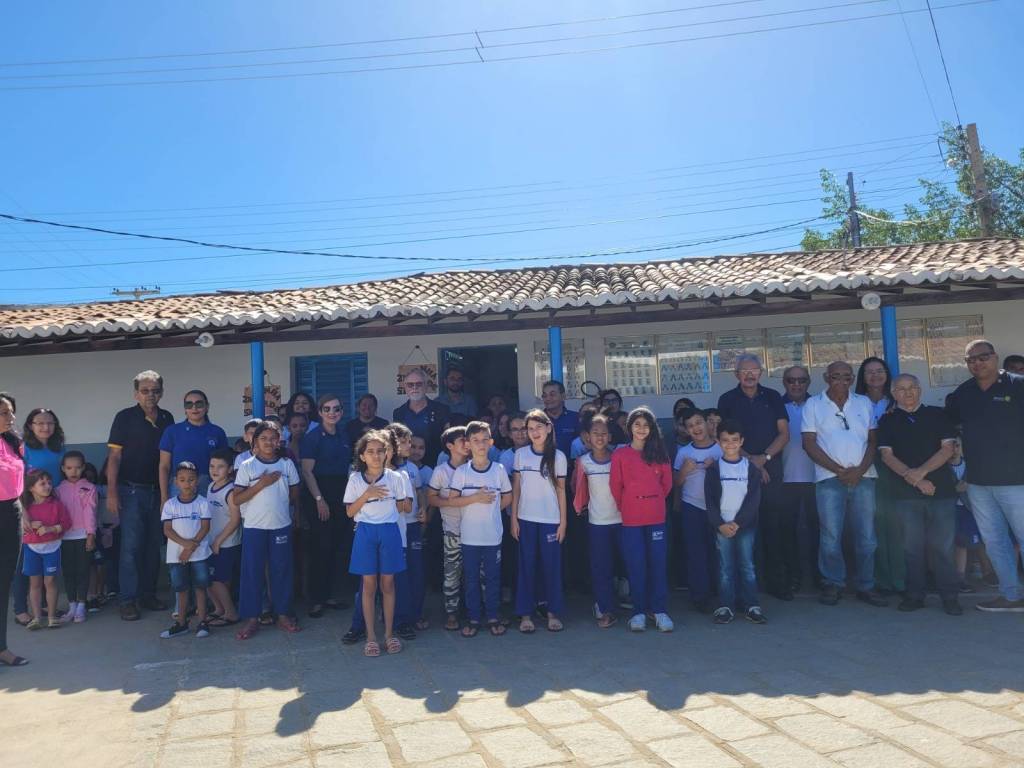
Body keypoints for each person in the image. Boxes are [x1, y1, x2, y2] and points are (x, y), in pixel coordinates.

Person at [946, 339, 1024, 612]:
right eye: (971, 360)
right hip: (978, 482)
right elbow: (946, 423)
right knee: (995, 542)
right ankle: (1010, 596)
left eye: (983, 357)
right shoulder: (964, 392)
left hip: (1017, 481)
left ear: (995, 357)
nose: (977, 363)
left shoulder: (1017, 385)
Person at [802, 361, 887, 608]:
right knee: (830, 536)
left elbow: (873, 441)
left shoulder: (863, 402)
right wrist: (839, 470)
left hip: (864, 477)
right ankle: (833, 583)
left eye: (847, 377)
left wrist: (859, 470)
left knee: (867, 536)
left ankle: (866, 585)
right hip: (829, 479)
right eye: (836, 376)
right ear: (826, 377)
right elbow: (808, 443)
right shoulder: (813, 404)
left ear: (852, 379)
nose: (841, 381)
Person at [877, 374, 961, 615]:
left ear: (920, 390)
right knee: (912, 549)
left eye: (912, 387)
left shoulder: (937, 414)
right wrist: (915, 479)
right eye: (902, 389)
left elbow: (947, 449)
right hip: (906, 495)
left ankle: (950, 597)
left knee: (943, 548)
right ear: (894, 393)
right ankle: (915, 595)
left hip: (941, 492)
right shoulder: (887, 420)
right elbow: (886, 456)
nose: (908, 393)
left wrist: (921, 474)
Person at [717, 354, 791, 600]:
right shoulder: (727, 399)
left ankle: (777, 583)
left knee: (773, 526)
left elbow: (784, 434)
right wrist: (751, 462)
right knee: (742, 527)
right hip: (738, 471)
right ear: (736, 374)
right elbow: (724, 437)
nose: (750, 375)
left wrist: (764, 459)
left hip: (771, 469)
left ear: (761, 372)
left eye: (754, 370)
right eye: (744, 371)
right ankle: (744, 588)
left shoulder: (773, 397)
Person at [106, 370, 175, 621]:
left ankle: (148, 595)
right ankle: (128, 600)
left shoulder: (167, 418)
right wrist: (112, 491)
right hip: (131, 491)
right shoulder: (124, 417)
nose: (150, 395)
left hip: (159, 492)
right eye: (145, 391)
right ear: (136, 393)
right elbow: (114, 457)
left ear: (162, 393)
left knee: (153, 546)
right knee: (131, 547)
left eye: (155, 391)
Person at [345, 430, 410, 657]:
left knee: (388, 584)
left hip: (389, 531)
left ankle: (389, 634)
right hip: (365, 532)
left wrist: (402, 501)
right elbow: (350, 511)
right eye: (370, 451)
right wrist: (368, 494)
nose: (375, 455)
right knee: (368, 584)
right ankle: (371, 636)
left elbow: (403, 507)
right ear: (362, 456)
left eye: (380, 451)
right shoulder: (355, 479)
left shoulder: (396, 478)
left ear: (387, 453)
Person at [234, 421, 302, 640]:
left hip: (280, 525)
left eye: (273, 438)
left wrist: (287, 509)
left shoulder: (286, 464)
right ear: (255, 441)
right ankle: (252, 618)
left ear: (279, 440)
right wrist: (261, 484)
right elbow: (237, 498)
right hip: (254, 527)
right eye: (263, 438)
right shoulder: (247, 466)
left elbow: (294, 493)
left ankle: (283, 614)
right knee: (252, 572)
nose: (268, 442)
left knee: (281, 570)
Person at [611, 407, 674, 633]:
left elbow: (667, 484)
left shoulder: (659, 452)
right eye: (637, 424)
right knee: (636, 564)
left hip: (655, 516)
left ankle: (659, 610)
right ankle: (638, 611)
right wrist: (629, 504)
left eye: (646, 425)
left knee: (657, 563)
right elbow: (616, 486)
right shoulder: (620, 454)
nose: (641, 429)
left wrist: (653, 500)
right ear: (629, 428)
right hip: (631, 518)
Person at [449, 421, 512, 637]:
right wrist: (475, 498)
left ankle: (493, 616)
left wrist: (492, 508)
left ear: (491, 442)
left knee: (493, 578)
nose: (481, 444)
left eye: (485, 440)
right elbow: (452, 500)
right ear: (468, 444)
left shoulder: (499, 470)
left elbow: (508, 497)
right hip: (470, 537)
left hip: (492, 536)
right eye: (475, 440)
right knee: (471, 579)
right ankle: (474, 618)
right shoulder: (462, 472)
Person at [511, 409, 568, 633]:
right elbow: (516, 489)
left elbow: (561, 491)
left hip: (550, 520)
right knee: (526, 566)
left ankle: (553, 612)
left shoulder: (559, 457)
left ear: (549, 428)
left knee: (551, 567)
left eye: (539, 427)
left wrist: (563, 522)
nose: (535, 432)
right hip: (525, 519)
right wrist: (513, 519)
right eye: (530, 429)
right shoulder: (520, 455)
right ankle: (525, 614)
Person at [705, 419, 765, 625]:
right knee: (725, 568)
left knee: (747, 566)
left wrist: (739, 522)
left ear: (741, 442)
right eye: (725, 440)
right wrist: (720, 524)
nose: (730, 444)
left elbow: (753, 500)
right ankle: (725, 606)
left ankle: (751, 605)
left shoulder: (750, 468)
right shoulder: (714, 469)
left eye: (734, 440)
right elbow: (710, 501)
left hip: (745, 526)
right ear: (718, 441)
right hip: (722, 527)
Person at [300, 394, 353, 618]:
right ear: (320, 412)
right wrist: (319, 499)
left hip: (341, 492)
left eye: (336, 409)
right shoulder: (312, 437)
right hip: (320, 493)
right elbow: (307, 471)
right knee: (320, 547)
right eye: (327, 409)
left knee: (335, 546)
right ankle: (316, 599)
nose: (332, 413)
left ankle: (329, 595)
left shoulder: (344, 434)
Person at [856, 357, 903, 595]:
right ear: (862, 378)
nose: (875, 376)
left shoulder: (897, 402)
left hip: (895, 469)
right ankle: (880, 580)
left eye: (879, 371)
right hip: (864, 468)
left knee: (896, 525)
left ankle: (901, 580)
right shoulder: (855, 403)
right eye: (869, 372)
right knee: (872, 527)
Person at [573, 413, 622, 628]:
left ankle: (634, 605)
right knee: (601, 567)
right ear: (587, 437)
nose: (600, 437)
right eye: (595, 433)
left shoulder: (619, 458)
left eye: (604, 433)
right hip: (597, 523)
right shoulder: (583, 462)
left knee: (627, 564)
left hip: (623, 520)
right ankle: (604, 607)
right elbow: (577, 489)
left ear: (610, 436)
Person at [673, 408, 722, 614]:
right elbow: (675, 482)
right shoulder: (684, 452)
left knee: (718, 551)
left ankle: (721, 592)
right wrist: (684, 471)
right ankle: (700, 596)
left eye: (699, 422)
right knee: (696, 552)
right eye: (690, 425)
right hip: (692, 507)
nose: (696, 428)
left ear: (707, 424)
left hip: (718, 508)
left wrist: (716, 467)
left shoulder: (720, 449)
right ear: (686, 430)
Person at [159, 462, 213, 639]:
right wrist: (186, 545)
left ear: (197, 481)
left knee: (200, 587)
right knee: (181, 588)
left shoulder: (202, 502)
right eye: (182, 480)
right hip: (177, 556)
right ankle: (181, 623)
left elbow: (205, 527)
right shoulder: (170, 505)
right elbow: (167, 530)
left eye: (191, 479)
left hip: (199, 554)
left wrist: (191, 547)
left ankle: (203, 622)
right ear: (175, 482)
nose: (187, 483)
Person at [427, 426, 470, 632]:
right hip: (452, 530)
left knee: (477, 573)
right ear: (450, 446)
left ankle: (475, 611)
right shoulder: (441, 471)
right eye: (462, 440)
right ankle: (451, 613)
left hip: (477, 530)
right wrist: (453, 502)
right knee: (452, 573)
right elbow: (431, 498)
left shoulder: (477, 466)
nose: (467, 444)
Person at [780, 366, 820, 592]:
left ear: (809, 382)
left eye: (802, 380)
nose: (796, 384)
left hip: (818, 478)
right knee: (787, 532)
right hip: (785, 479)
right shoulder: (776, 406)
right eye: (791, 380)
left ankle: (819, 576)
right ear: (784, 382)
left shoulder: (819, 405)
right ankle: (792, 576)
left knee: (819, 531)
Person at [20, 469, 72, 630]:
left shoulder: (56, 505)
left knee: (50, 581)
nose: (47, 486)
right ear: (31, 488)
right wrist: (29, 524)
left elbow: (67, 523)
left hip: (52, 548)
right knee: (34, 583)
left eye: (49, 482)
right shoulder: (25, 508)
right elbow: (17, 526)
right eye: (42, 483)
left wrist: (52, 529)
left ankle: (51, 617)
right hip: (31, 549)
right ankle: (37, 618)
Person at [158, 389, 228, 506]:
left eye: (199, 404)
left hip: (209, 485)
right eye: (189, 404)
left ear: (207, 407)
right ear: (185, 409)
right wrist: (164, 497)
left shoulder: (217, 432)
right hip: (179, 486)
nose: (194, 408)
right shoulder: (172, 431)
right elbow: (164, 466)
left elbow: (224, 465)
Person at [390, 423, 428, 636]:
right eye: (404, 442)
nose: (409, 447)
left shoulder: (412, 468)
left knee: (416, 572)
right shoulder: (385, 469)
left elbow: (420, 491)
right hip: (393, 528)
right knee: (397, 574)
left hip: (412, 525)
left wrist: (422, 508)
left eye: (410, 442)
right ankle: (396, 617)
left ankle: (416, 614)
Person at [0, 392, 28, 666]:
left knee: (3, 583)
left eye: (11, 411)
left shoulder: (12, 442)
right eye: (4, 413)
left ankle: (2, 648)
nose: (11, 417)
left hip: (12, 511)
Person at [56, 451, 98, 624]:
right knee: (69, 572)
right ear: (63, 469)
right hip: (64, 537)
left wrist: (91, 534)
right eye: (69, 468)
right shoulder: (58, 490)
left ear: (83, 468)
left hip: (82, 535)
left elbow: (90, 512)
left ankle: (81, 605)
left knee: (83, 570)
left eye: (78, 467)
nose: (73, 471)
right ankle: (72, 605)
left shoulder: (89, 488)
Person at [206, 449, 241, 627]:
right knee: (207, 578)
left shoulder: (231, 491)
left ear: (230, 469)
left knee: (218, 580)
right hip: (211, 542)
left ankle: (231, 613)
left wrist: (218, 541)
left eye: (220, 466)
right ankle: (219, 609)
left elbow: (235, 520)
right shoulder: (210, 486)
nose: (215, 470)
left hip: (226, 544)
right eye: (212, 466)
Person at [394, 368, 451, 465]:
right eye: (410, 384)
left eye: (419, 384)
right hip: (407, 466)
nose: (414, 388)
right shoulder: (399, 413)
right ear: (405, 387)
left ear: (426, 386)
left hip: (436, 464)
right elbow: (398, 442)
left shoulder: (442, 410)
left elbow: (448, 440)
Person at [540, 380, 580, 458]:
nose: (548, 398)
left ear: (563, 396)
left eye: (552, 394)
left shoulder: (575, 418)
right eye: (544, 396)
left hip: (571, 465)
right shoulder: (537, 420)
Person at [22, 408, 65, 478]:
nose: (46, 427)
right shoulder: (23, 449)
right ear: (30, 426)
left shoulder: (60, 447)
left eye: (50, 423)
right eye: (40, 423)